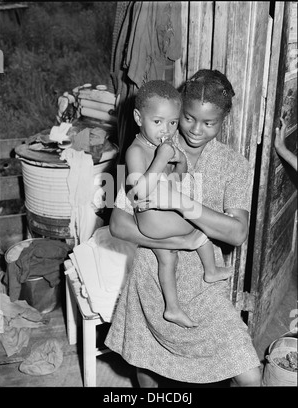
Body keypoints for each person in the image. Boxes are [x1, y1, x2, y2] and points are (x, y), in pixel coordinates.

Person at [105, 69, 262, 387]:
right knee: (147, 364)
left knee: (249, 372)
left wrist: (180, 201)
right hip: (155, 277)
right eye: (188, 118)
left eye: (210, 123)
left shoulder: (234, 165)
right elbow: (119, 223)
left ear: (223, 120)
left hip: (206, 284)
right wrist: (180, 242)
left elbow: (237, 232)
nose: (195, 130)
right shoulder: (154, 142)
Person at [125, 79, 232, 328]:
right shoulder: (136, 151)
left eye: (173, 122)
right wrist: (162, 158)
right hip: (151, 218)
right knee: (199, 225)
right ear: (139, 118)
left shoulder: (159, 145)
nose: (166, 129)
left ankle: (172, 309)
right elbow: (139, 193)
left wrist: (180, 162)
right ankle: (211, 270)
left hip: (157, 217)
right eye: (158, 122)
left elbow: (174, 180)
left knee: (168, 260)